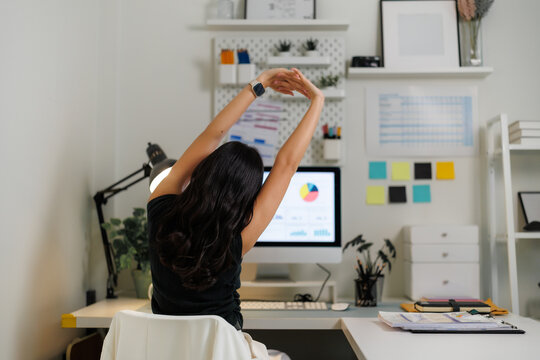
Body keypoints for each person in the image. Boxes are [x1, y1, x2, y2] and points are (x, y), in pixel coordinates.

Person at [146, 67, 324, 358]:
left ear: (203, 171)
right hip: (226, 353)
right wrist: (317, 101)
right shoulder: (237, 239)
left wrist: (259, 83)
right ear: (246, 198)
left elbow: (211, 135)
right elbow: (287, 165)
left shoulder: (160, 206)